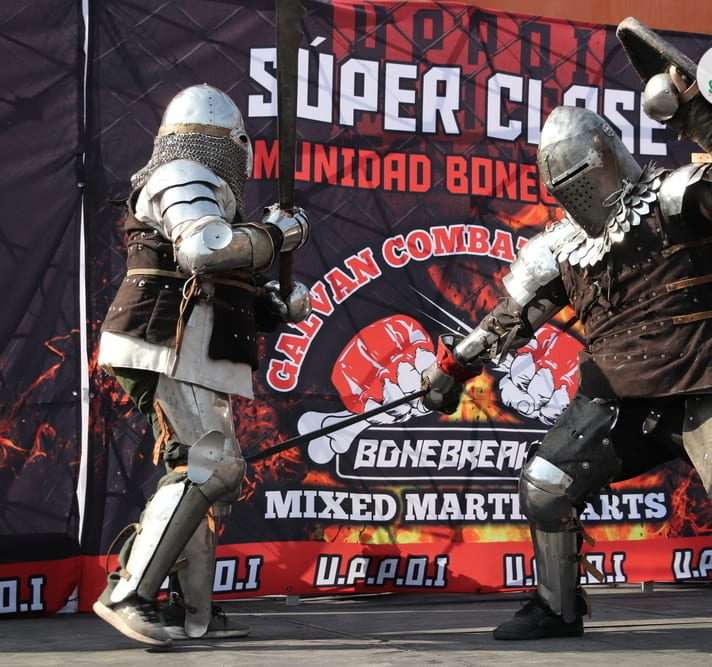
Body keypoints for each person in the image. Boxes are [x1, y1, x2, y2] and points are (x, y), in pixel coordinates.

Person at [421, 103, 712, 639]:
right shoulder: (563, 247)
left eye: (581, 176)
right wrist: (454, 366)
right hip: (617, 395)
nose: (577, 193)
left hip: (701, 378)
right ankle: (556, 608)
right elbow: (510, 320)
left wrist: (701, 118)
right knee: (546, 485)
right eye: (565, 185)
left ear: (607, 155)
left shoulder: (678, 197)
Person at [93, 84, 311, 646]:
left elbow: (218, 283)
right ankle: (128, 593)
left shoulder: (204, 190)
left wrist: (272, 304)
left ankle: (191, 611)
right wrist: (273, 235)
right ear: (223, 143)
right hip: (165, 341)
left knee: (203, 470)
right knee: (211, 468)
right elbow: (202, 249)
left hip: (189, 348)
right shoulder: (182, 174)